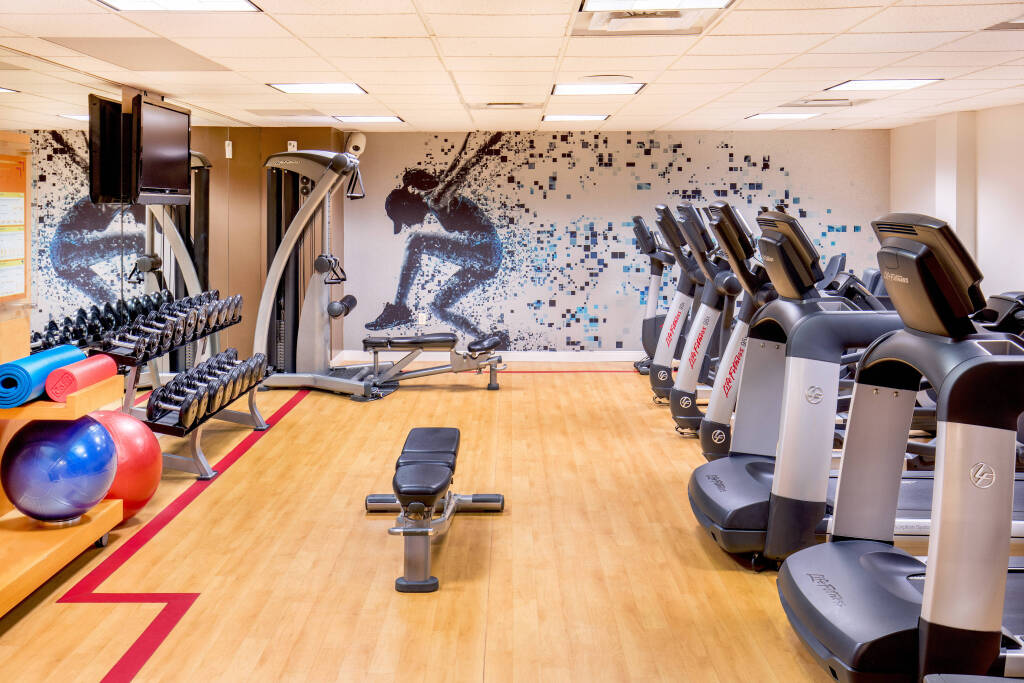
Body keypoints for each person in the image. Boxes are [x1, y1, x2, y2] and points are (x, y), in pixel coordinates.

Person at [365, 165, 506, 346]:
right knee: (437, 307)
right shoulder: (436, 198)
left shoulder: (436, 199)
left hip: (484, 248)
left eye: (403, 219)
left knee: (416, 240)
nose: (407, 224)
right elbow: (453, 175)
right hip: (485, 264)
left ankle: (399, 309)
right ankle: (486, 339)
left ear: (406, 206)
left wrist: (479, 154)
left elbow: (461, 171)